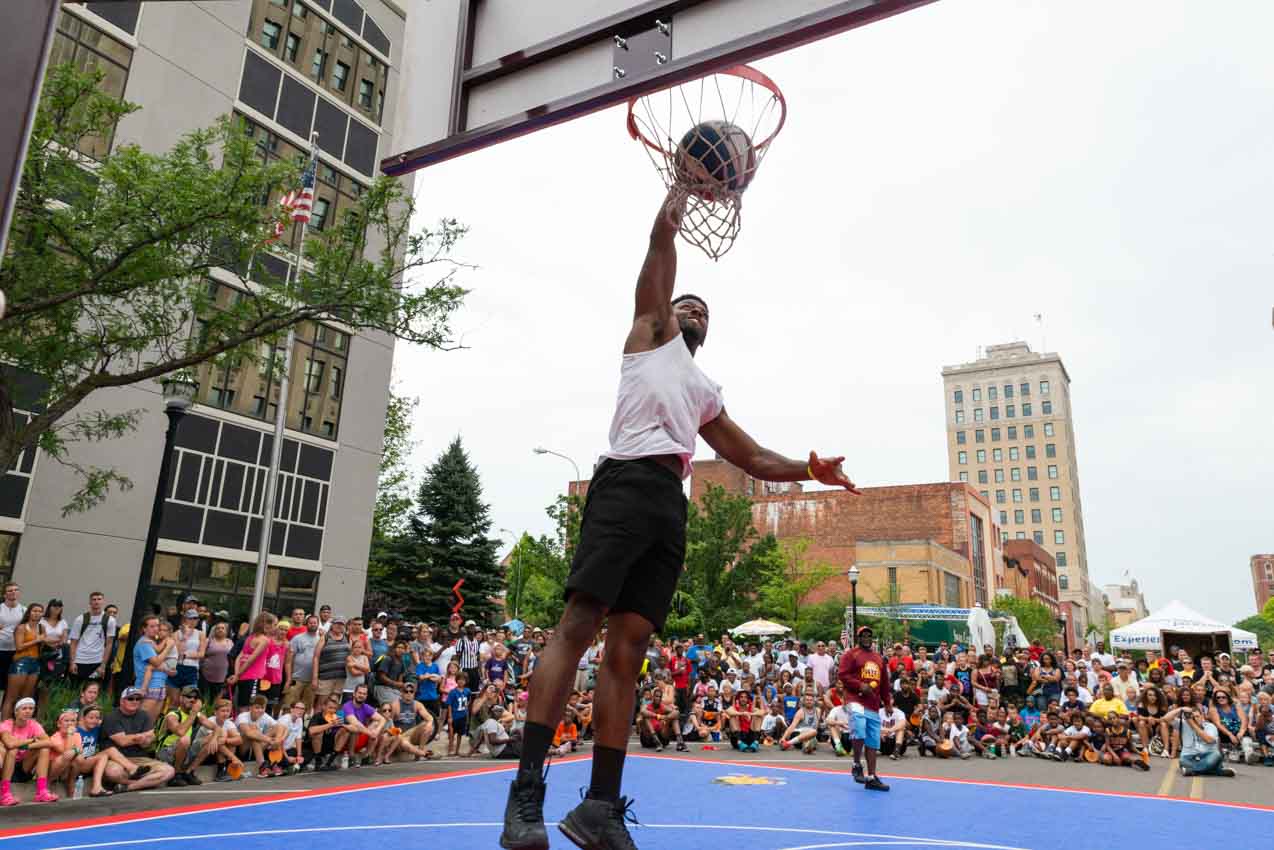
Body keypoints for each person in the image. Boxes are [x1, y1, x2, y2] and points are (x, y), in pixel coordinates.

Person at [500, 190, 861, 850]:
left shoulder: (702, 391)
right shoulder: (647, 336)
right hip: (625, 482)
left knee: (629, 648)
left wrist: (810, 467)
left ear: (707, 331)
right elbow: (661, 245)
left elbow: (749, 454)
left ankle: (600, 808)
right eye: (686, 302)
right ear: (667, 313)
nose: (693, 308)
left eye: (704, 309)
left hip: (671, 502)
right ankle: (524, 795)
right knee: (579, 624)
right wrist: (682, 188)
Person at [839, 625, 892, 791]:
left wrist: (888, 702)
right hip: (855, 699)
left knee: (873, 740)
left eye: (869, 635)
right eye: (863, 635)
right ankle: (856, 764)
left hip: (873, 703)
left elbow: (884, 684)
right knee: (859, 728)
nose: (867, 638)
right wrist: (859, 685)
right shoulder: (851, 654)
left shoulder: (878, 658)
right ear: (858, 638)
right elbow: (842, 674)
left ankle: (871, 777)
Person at [99, 687, 176, 791]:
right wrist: (139, 737)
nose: (134, 701)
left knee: (169, 771)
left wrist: (144, 739)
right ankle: (146, 783)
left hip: (140, 759)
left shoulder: (144, 715)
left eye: (138, 699)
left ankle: (129, 787)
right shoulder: (111, 717)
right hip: (117, 759)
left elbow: (147, 743)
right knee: (113, 772)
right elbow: (122, 741)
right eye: (130, 698)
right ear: (122, 701)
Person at [0, 697, 58, 805]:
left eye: (31, 708)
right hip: (6, 768)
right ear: (16, 711)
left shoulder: (34, 725)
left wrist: (27, 746)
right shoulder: (6, 725)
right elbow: (10, 744)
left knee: (44, 748)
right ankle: (4, 793)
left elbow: (49, 742)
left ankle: (41, 791)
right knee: (13, 750)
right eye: (24, 708)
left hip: (23, 767)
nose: (28, 711)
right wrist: (32, 740)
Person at [156, 686, 218, 786]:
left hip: (183, 751)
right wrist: (193, 713)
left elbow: (217, 728)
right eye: (189, 696)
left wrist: (214, 739)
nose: (192, 699)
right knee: (185, 739)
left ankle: (189, 772)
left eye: (195, 697)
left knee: (212, 737)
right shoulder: (173, 715)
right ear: (181, 698)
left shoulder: (197, 715)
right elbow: (181, 732)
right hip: (166, 753)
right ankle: (176, 775)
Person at [2, 603, 45, 722]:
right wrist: (37, 640)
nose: (37, 613)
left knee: (26, 698)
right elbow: (19, 646)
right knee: (11, 697)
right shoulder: (21, 627)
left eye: (40, 611)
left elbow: (42, 644)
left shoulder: (42, 628)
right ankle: (4, 726)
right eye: (34, 611)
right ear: (29, 612)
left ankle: (21, 725)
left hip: (35, 662)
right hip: (21, 662)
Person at [68, 591, 117, 688]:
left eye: (99, 599)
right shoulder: (80, 619)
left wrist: (103, 665)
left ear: (103, 601)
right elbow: (73, 642)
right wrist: (72, 662)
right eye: (94, 599)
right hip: (80, 660)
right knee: (75, 690)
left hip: (97, 661)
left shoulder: (110, 620)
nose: (96, 602)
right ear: (90, 602)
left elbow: (109, 644)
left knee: (93, 691)